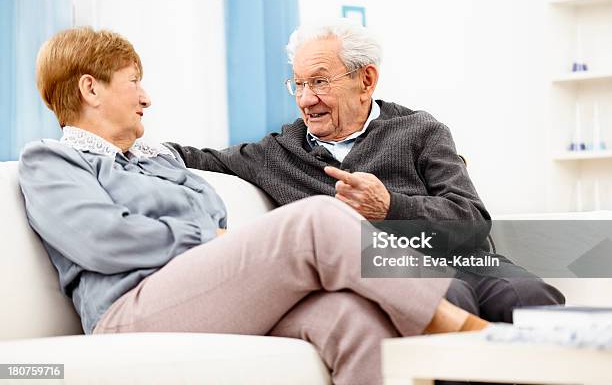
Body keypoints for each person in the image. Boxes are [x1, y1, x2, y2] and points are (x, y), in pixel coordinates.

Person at [20, 27, 489, 385]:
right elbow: (106, 240)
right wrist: (205, 238)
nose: (146, 97)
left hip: (197, 295)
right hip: (126, 311)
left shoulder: (156, 160)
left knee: (351, 317)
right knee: (319, 217)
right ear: (90, 89)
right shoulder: (52, 160)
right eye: (134, 82)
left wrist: (212, 237)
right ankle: (462, 330)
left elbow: (214, 211)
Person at [167, 19, 565, 322]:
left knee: (531, 298)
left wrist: (390, 206)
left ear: (366, 80)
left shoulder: (420, 130)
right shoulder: (278, 152)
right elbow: (196, 158)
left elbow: (472, 223)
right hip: (387, 274)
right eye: (299, 84)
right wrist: (116, 138)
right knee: (446, 299)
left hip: (463, 259)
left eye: (320, 82)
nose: (306, 99)